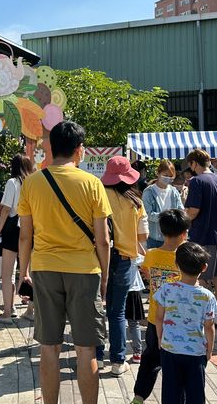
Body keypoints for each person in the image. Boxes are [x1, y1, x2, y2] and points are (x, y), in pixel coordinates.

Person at [17, 121, 111, 404]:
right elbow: (103, 240)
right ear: (79, 151)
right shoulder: (92, 183)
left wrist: (24, 273)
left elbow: (25, 236)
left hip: (44, 269)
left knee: (49, 347)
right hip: (84, 270)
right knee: (86, 349)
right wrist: (104, 277)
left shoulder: (32, 182)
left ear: (50, 148)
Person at [131, 209, 190, 404]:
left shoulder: (152, 255)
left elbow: (147, 274)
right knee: (178, 365)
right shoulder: (187, 256)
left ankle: (139, 396)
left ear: (162, 232)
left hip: (155, 318)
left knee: (150, 359)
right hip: (181, 321)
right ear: (184, 233)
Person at [97, 156, 147, 376]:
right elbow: (143, 236)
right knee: (117, 312)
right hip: (126, 260)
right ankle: (117, 361)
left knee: (97, 309)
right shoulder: (136, 201)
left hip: (98, 258)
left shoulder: (98, 195)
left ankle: (97, 357)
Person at [155, 242, 217, 404]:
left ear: (176, 264)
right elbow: (209, 326)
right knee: (195, 393)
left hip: (170, 349)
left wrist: (160, 338)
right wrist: (209, 348)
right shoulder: (207, 296)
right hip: (196, 352)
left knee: (171, 392)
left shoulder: (166, 289)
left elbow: (159, 318)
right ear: (204, 267)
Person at [184, 148, 217, 329]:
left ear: (194, 163)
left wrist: (182, 217)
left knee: (202, 278)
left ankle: (204, 316)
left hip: (202, 236)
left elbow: (193, 211)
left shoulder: (196, 181)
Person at [0, 154, 33, 324]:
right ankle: (30, 309)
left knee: (7, 273)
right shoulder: (33, 182)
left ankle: (8, 312)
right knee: (28, 273)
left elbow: (6, 209)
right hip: (30, 228)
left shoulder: (12, 182)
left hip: (13, 230)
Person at [142, 160, 184, 249]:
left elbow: (181, 210)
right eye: (165, 175)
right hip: (155, 238)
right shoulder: (149, 192)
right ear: (158, 173)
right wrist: (166, 217)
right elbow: (147, 214)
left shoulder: (174, 191)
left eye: (170, 176)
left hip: (173, 237)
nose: (168, 178)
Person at [126, 253, 146, 364]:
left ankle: (117, 354)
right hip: (132, 290)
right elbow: (146, 258)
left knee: (117, 322)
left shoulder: (112, 251)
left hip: (116, 290)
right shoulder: (133, 254)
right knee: (134, 324)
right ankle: (138, 353)